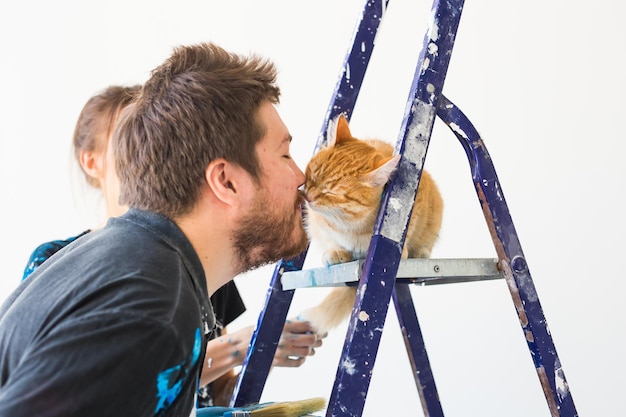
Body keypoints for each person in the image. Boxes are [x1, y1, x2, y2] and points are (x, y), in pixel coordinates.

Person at [0, 42, 317, 416]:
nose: (301, 176)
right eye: (284, 155)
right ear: (226, 182)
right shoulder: (152, 312)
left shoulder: (128, 260)